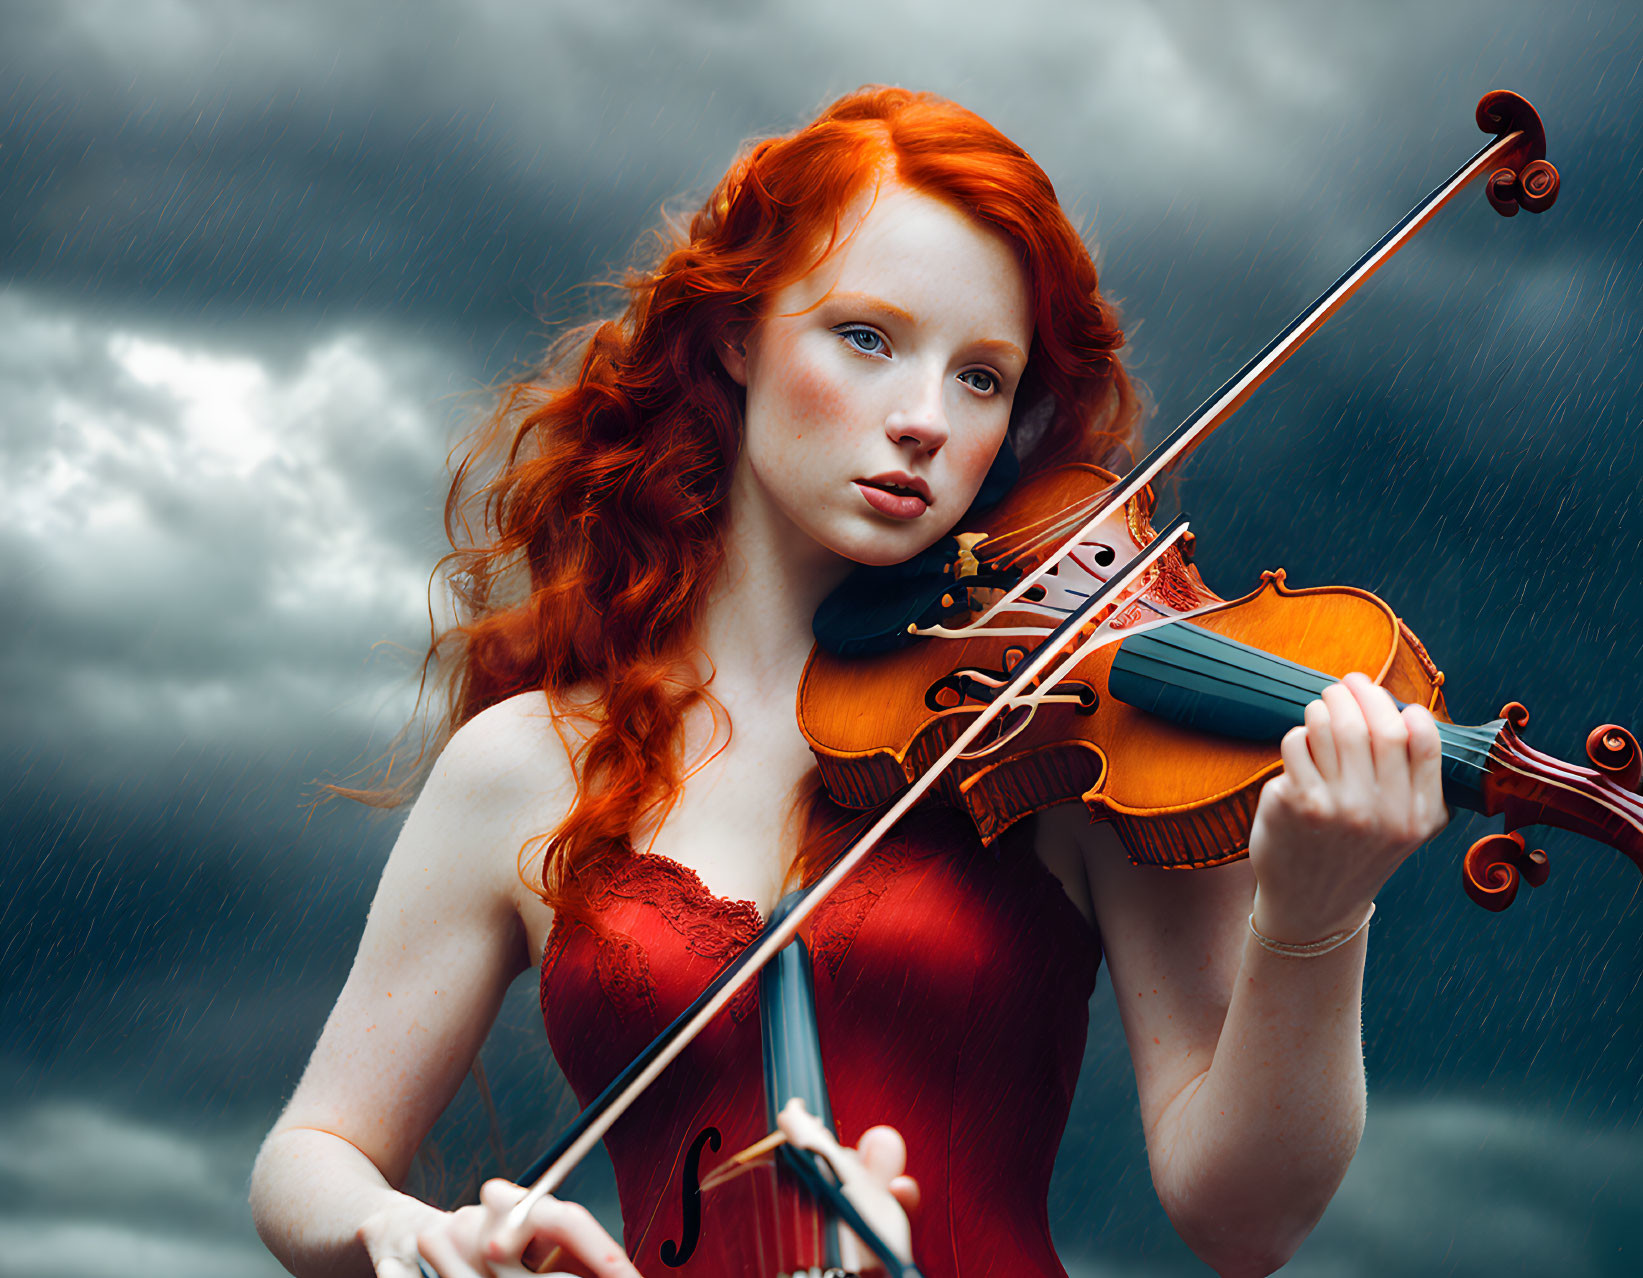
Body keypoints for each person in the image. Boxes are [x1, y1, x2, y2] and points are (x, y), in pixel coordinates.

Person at [250, 86, 1448, 1278]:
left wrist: (1313, 918)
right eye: (866, 339)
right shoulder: (524, 764)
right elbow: (312, 1151)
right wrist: (407, 1232)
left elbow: (1239, 1218)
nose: (924, 419)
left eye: (981, 377)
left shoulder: (1073, 737)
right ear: (738, 334)